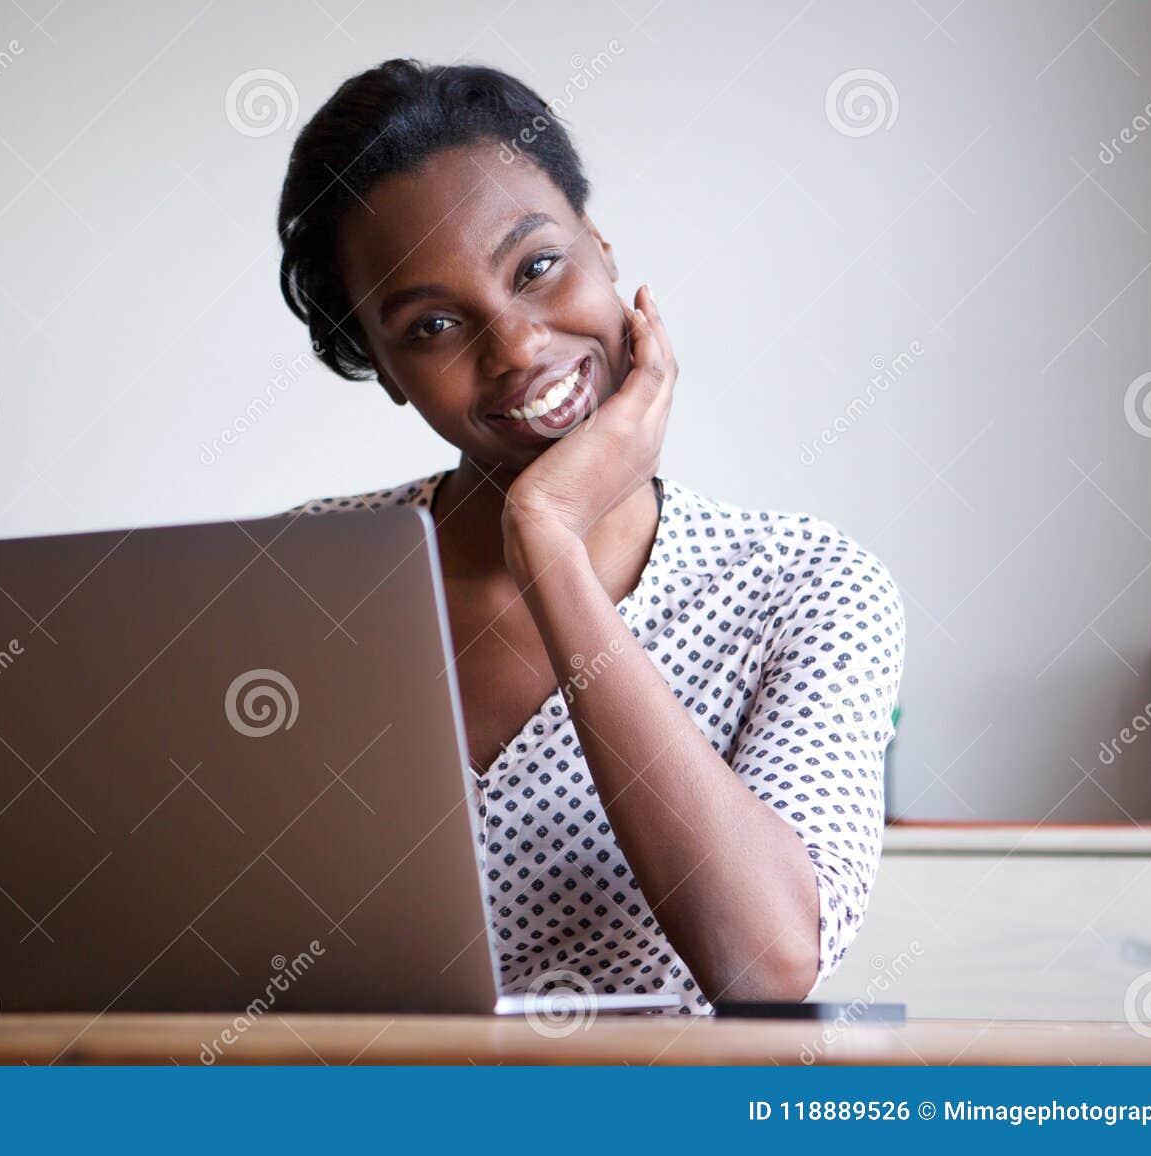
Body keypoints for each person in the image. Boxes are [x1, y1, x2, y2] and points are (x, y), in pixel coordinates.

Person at [275, 59, 905, 1011]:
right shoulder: (299, 578)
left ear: (602, 250)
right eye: (434, 324)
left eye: (538, 267)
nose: (519, 346)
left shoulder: (808, 587)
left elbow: (768, 966)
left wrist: (549, 539)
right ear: (386, 369)